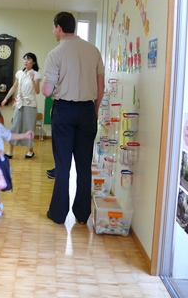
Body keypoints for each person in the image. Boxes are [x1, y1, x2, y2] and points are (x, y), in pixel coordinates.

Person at [42, 12, 105, 225]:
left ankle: (59, 214)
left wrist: (43, 85)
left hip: (64, 111)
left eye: (53, 28)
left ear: (59, 27)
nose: (53, 32)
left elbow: (47, 90)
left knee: (63, 164)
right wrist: (94, 110)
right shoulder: (93, 51)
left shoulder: (55, 53)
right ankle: (82, 214)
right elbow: (100, 86)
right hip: (87, 110)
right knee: (84, 164)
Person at [1, 52, 41, 159]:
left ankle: (30, 150)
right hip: (19, 104)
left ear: (34, 62)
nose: (26, 61)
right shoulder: (19, 73)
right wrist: (5, 99)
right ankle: (10, 151)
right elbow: (14, 87)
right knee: (15, 126)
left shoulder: (36, 74)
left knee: (29, 127)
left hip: (30, 104)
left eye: (28, 59)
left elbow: (37, 91)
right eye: (24, 59)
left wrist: (32, 80)